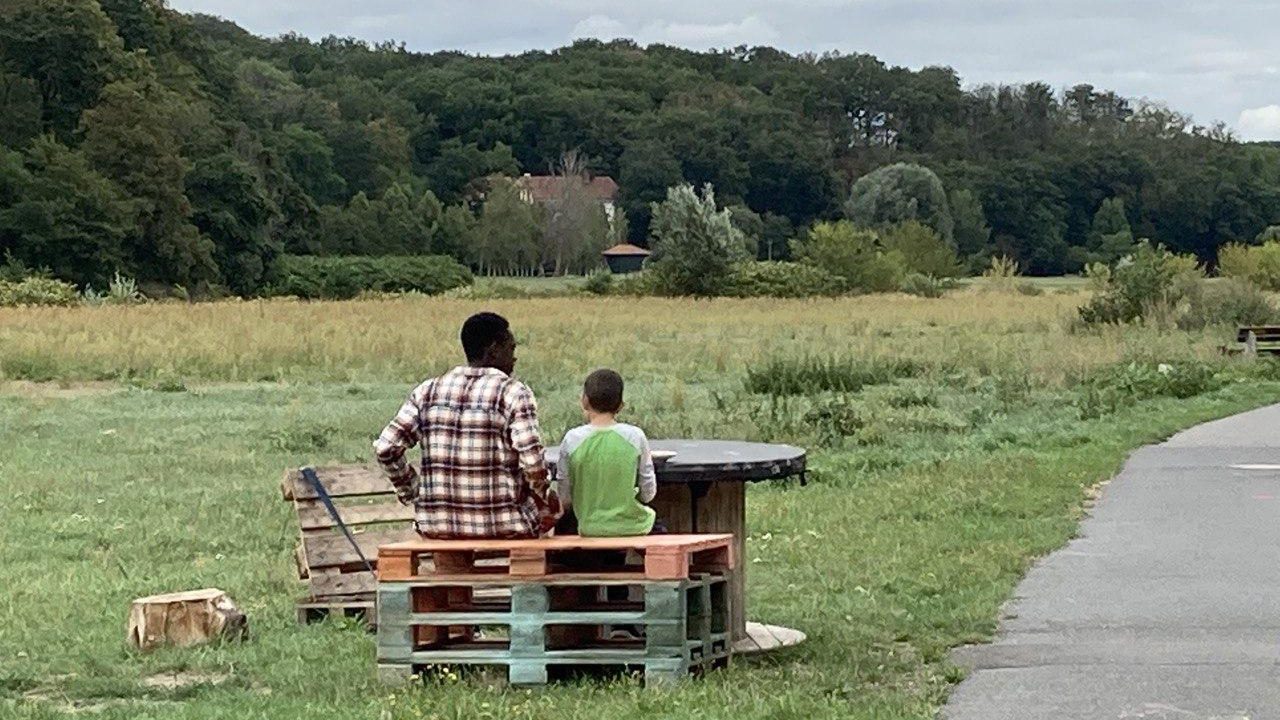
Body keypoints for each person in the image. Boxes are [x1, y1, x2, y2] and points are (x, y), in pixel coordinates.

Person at [373, 312, 559, 538]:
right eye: (511, 349)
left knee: (448, 563)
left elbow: (386, 447)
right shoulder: (514, 392)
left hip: (437, 525)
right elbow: (533, 464)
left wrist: (412, 490)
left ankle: (453, 571)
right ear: (493, 349)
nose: (514, 358)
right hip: (507, 525)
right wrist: (543, 498)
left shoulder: (426, 391)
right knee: (546, 530)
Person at [555, 368, 660, 537]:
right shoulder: (635, 436)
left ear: (585, 401)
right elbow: (648, 494)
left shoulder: (572, 440)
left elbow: (565, 498)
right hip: (635, 526)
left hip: (588, 527)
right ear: (621, 405)